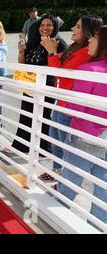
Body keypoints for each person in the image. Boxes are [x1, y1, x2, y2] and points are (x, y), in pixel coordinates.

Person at [39, 15, 103, 181]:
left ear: (88, 32)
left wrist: (52, 52)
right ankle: (57, 172)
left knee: (65, 145)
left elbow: (61, 72)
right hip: (61, 101)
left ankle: (64, 178)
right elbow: (58, 64)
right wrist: (51, 50)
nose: (73, 29)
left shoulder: (85, 52)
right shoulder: (75, 47)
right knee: (55, 141)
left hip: (68, 104)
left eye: (77, 26)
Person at [57, 25, 107, 227]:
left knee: (69, 184)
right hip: (105, 138)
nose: (90, 41)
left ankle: (57, 221)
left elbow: (73, 109)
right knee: (103, 193)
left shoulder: (88, 70)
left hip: (83, 137)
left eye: (94, 38)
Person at [11, 15, 67, 154]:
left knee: (43, 116)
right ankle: (21, 146)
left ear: (55, 27)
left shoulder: (59, 43)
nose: (45, 28)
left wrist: (51, 50)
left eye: (49, 25)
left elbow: (59, 67)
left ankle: (42, 149)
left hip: (46, 86)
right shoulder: (34, 42)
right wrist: (22, 51)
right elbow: (22, 63)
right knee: (26, 114)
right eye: (42, 25)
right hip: (30, 84)